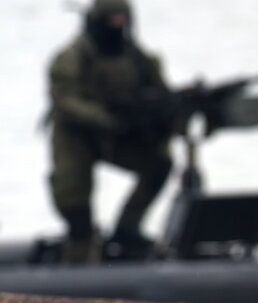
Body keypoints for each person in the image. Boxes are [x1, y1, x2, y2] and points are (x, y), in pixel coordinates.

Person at [47, 0, 173, 263]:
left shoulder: (137, 57)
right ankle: (79, 252)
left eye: (122, 19)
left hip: (118, 136)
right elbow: (66, 101)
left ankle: (127, 229)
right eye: (113, 19)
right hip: (76, 137)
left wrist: (163, 114)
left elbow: (161, 94)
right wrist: (107, 118)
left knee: (159, 164)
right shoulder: (72, 57)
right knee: (73, 196)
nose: (118, 25)